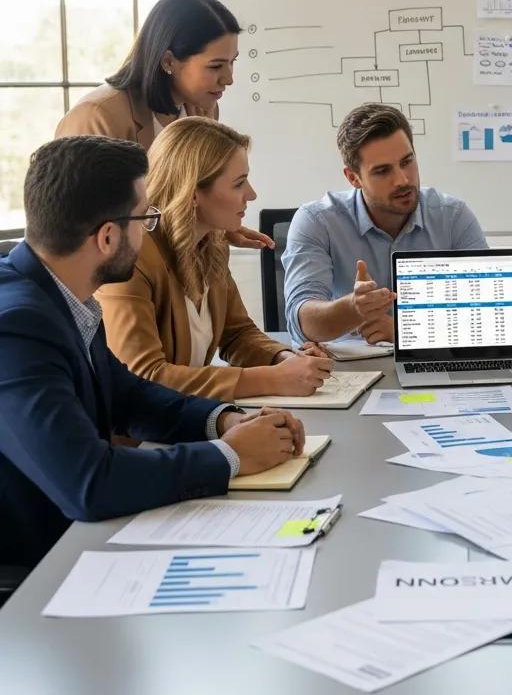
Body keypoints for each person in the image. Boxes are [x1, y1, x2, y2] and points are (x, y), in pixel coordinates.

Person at [0, 136, 305, 571]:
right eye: (145, 218)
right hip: (36, 572)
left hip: (78, 538)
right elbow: (89, 482)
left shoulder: (61, 297)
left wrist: (224, 420)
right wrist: (231, 456)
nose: (150, 230)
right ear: (107, 237)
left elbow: (125, 393)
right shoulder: (16, 327)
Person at [97, 118, 332, 401]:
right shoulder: (132, 260)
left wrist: (284, 359)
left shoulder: (212, 243)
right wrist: (272, 379)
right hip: (137, 440)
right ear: (193, 193)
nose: (252, 194)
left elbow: (237, 334)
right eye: (239, 183)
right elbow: (144, 375)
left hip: (188, 423)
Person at [54, 0, 270, 251]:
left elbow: (188, 201)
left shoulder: (204, 110)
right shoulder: (98, 116)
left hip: (175, 269)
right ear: (169, 60)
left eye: (231, 62)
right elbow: (81, 225)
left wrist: (216, 228)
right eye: (215, 66)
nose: (229, 78)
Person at [284, 103, 487, 346]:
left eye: (407, 161)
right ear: (353, 177)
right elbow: (301, 323)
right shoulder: (317, 222)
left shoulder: (453, 217)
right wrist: (353, 308)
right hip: (350, 373)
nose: (403, 180)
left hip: (434, 360)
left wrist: (406, 332)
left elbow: (489, 313)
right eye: (382, 171)